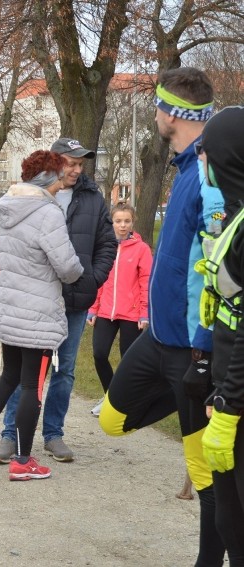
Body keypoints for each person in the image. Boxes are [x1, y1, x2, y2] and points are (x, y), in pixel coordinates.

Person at [98, 67, 228, 566]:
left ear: (173, 112)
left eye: (157, 105)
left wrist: (204, 352)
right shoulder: (185, 167)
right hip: (159, 339)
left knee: (204, 474)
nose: (154, 113)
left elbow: (217, 273)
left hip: (194, 350)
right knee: (112, 419)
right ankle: (184, 406)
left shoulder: (208, 178)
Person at [0, 150, 83, 481]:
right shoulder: (47, 213)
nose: (63, 178)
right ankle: (23, 460)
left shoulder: (6, 210)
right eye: (59, 173)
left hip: (10, 309)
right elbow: (68, 268)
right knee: (32, 385)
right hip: (38, 315)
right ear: (47, 178)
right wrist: (80, 268)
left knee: (9, 377)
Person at [0, 137, 116, 464]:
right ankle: (10, 435)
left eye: (80, 164)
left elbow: (106, 244)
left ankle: (53, 434)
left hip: (74, 300)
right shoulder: (32, 194)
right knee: (23, 374)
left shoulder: (92, 198)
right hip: (34, 302)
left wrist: (94, 278)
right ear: (55, 162)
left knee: (65, 370)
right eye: (71, 163)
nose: (76, 170)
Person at [194, 105, 244, 566]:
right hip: (228, 388)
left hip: (239, 401)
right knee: (230, 519)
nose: (201, 163)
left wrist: (229, 405)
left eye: (206, 153)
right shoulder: (235, 218)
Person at [86, 202, 152, 416]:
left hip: (132, 314)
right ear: (111, 222)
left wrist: (145, 312)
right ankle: (110, 398)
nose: (122, 225)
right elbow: (99, 279)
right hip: (105, 311)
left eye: (127, 221)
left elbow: (146, 281)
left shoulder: (141, 249)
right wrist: (93, 308)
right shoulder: (104, 247)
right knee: (99, 353)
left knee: (128, 360)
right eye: (118, 221)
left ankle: (128, 402)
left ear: (133, 222)